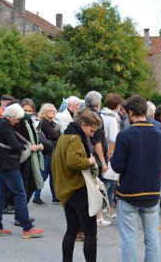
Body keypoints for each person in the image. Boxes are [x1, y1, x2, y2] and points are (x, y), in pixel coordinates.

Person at [111, 95, 161, 262]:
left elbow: (117, 167)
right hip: (152, 193)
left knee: (128, 240)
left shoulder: (125, 135)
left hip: (129, 193)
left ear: (130, 112)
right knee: (152, 239)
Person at [52, 107, 102, 262]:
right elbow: (73, 161)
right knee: (90, 233)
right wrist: (90, 161)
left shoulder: (63, 137)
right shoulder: (76, 139)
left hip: (66, 191)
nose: (92, 134)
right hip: (78, 190)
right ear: (83, 125)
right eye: (91, 131)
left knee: (71, 231)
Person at [0, 104, 44, 238]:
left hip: (0, 164)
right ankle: (27, 228)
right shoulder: (6, 125)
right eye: (17, 119)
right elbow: (14, 144)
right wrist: (26, 147)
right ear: (12, 116)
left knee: (1, 196)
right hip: (8, 164)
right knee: (20, 194)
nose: (18, 121)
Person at [12, 99, 44, 225]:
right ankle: (20, 216)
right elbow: (16, 140)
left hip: (32, 158)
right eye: (25, 110)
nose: (28, 113)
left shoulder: (30, 122)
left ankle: (21, 214)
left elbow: (33, 137)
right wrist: (29, 147)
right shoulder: (18, 122)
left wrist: (37, 145)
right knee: (24, 188)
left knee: (31, 185)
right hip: (23, 159)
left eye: (30, 111)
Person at [85, 91, 111, 226]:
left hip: (89, 156)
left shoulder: (85, 113)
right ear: (98, 103)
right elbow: (97, 142)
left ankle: (97, 215)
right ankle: (98, 216)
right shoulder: (95, 117)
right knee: (97, 187)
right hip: (95, 157)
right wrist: (103, 161)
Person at [100, 92, 123, 219]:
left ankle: (106, 209)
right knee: (108, 184)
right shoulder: (113, 119)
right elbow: (113, 139)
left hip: (102, 152)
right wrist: (110, 155)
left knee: (106, 183)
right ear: (118, 105)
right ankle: (107, 210)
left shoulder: (102, 114)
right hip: (109, 153)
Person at [33, 103, 61, 205]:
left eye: (53, 111)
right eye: (50, 111)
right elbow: (56, 135)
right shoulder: (44, 122)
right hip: (46, 152)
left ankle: (55, 197)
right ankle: (36, 197)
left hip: (50, 152)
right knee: (43, 175)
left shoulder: (50, 123)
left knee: (52, 175)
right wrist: (57, 133)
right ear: (44, 112)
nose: (52, 113)